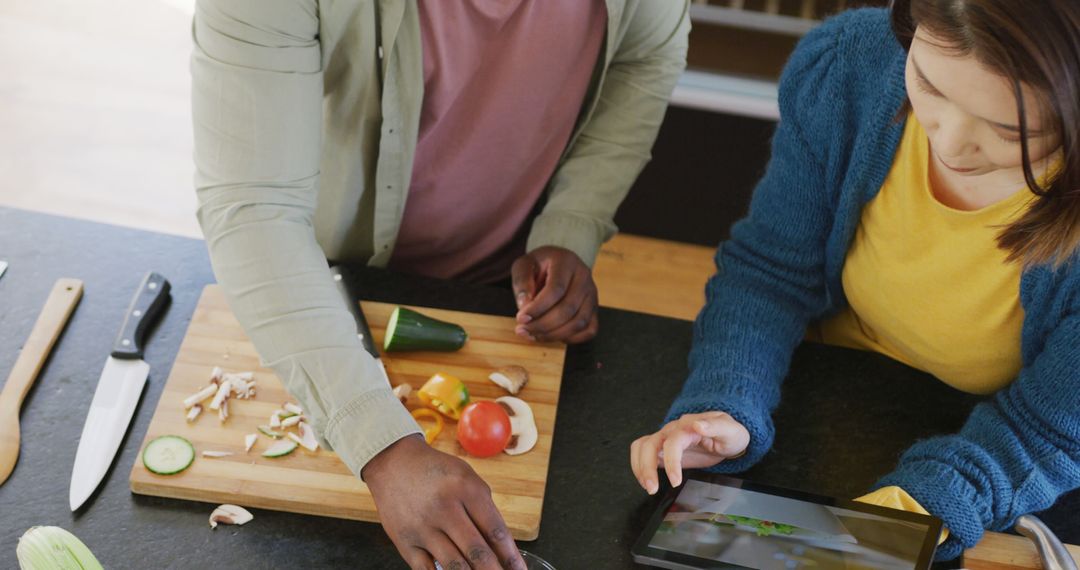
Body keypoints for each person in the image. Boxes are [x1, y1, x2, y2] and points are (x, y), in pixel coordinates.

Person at [191, 1, 689, 568]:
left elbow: (645, 58)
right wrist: (378, 441)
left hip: (503, 284)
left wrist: (572, 223)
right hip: (318, 288)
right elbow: (254, 209)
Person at [630, 0, 1079, 561]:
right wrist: (727, 402)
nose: (950, 141)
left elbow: (1045, 434)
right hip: (822, 396)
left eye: (1009, 129)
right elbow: (769, 272)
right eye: (930, 86)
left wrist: (919, 511)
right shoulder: (853, 67)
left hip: (992, 458)